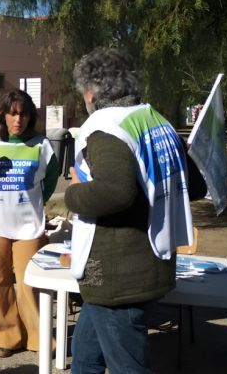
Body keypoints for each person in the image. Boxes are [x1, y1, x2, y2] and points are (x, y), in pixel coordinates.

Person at [65, 47, 207, 374]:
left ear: (90, 91)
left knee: (127, 367)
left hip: (118, 278)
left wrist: (73, 193)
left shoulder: (106, 126)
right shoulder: (157, 121)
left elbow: (115, 192)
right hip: (149, 268)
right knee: (85, 359)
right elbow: (195, 187)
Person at [0, 89, 60, 358]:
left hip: (29, 223)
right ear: (4, 115)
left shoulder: (41, 145)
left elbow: (50, 178)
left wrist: (36, 200)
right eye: (13, 113)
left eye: (23, 114)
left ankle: (38, 337)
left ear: (31, 117)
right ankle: (3, 336)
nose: (18, 119)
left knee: (31, 280)